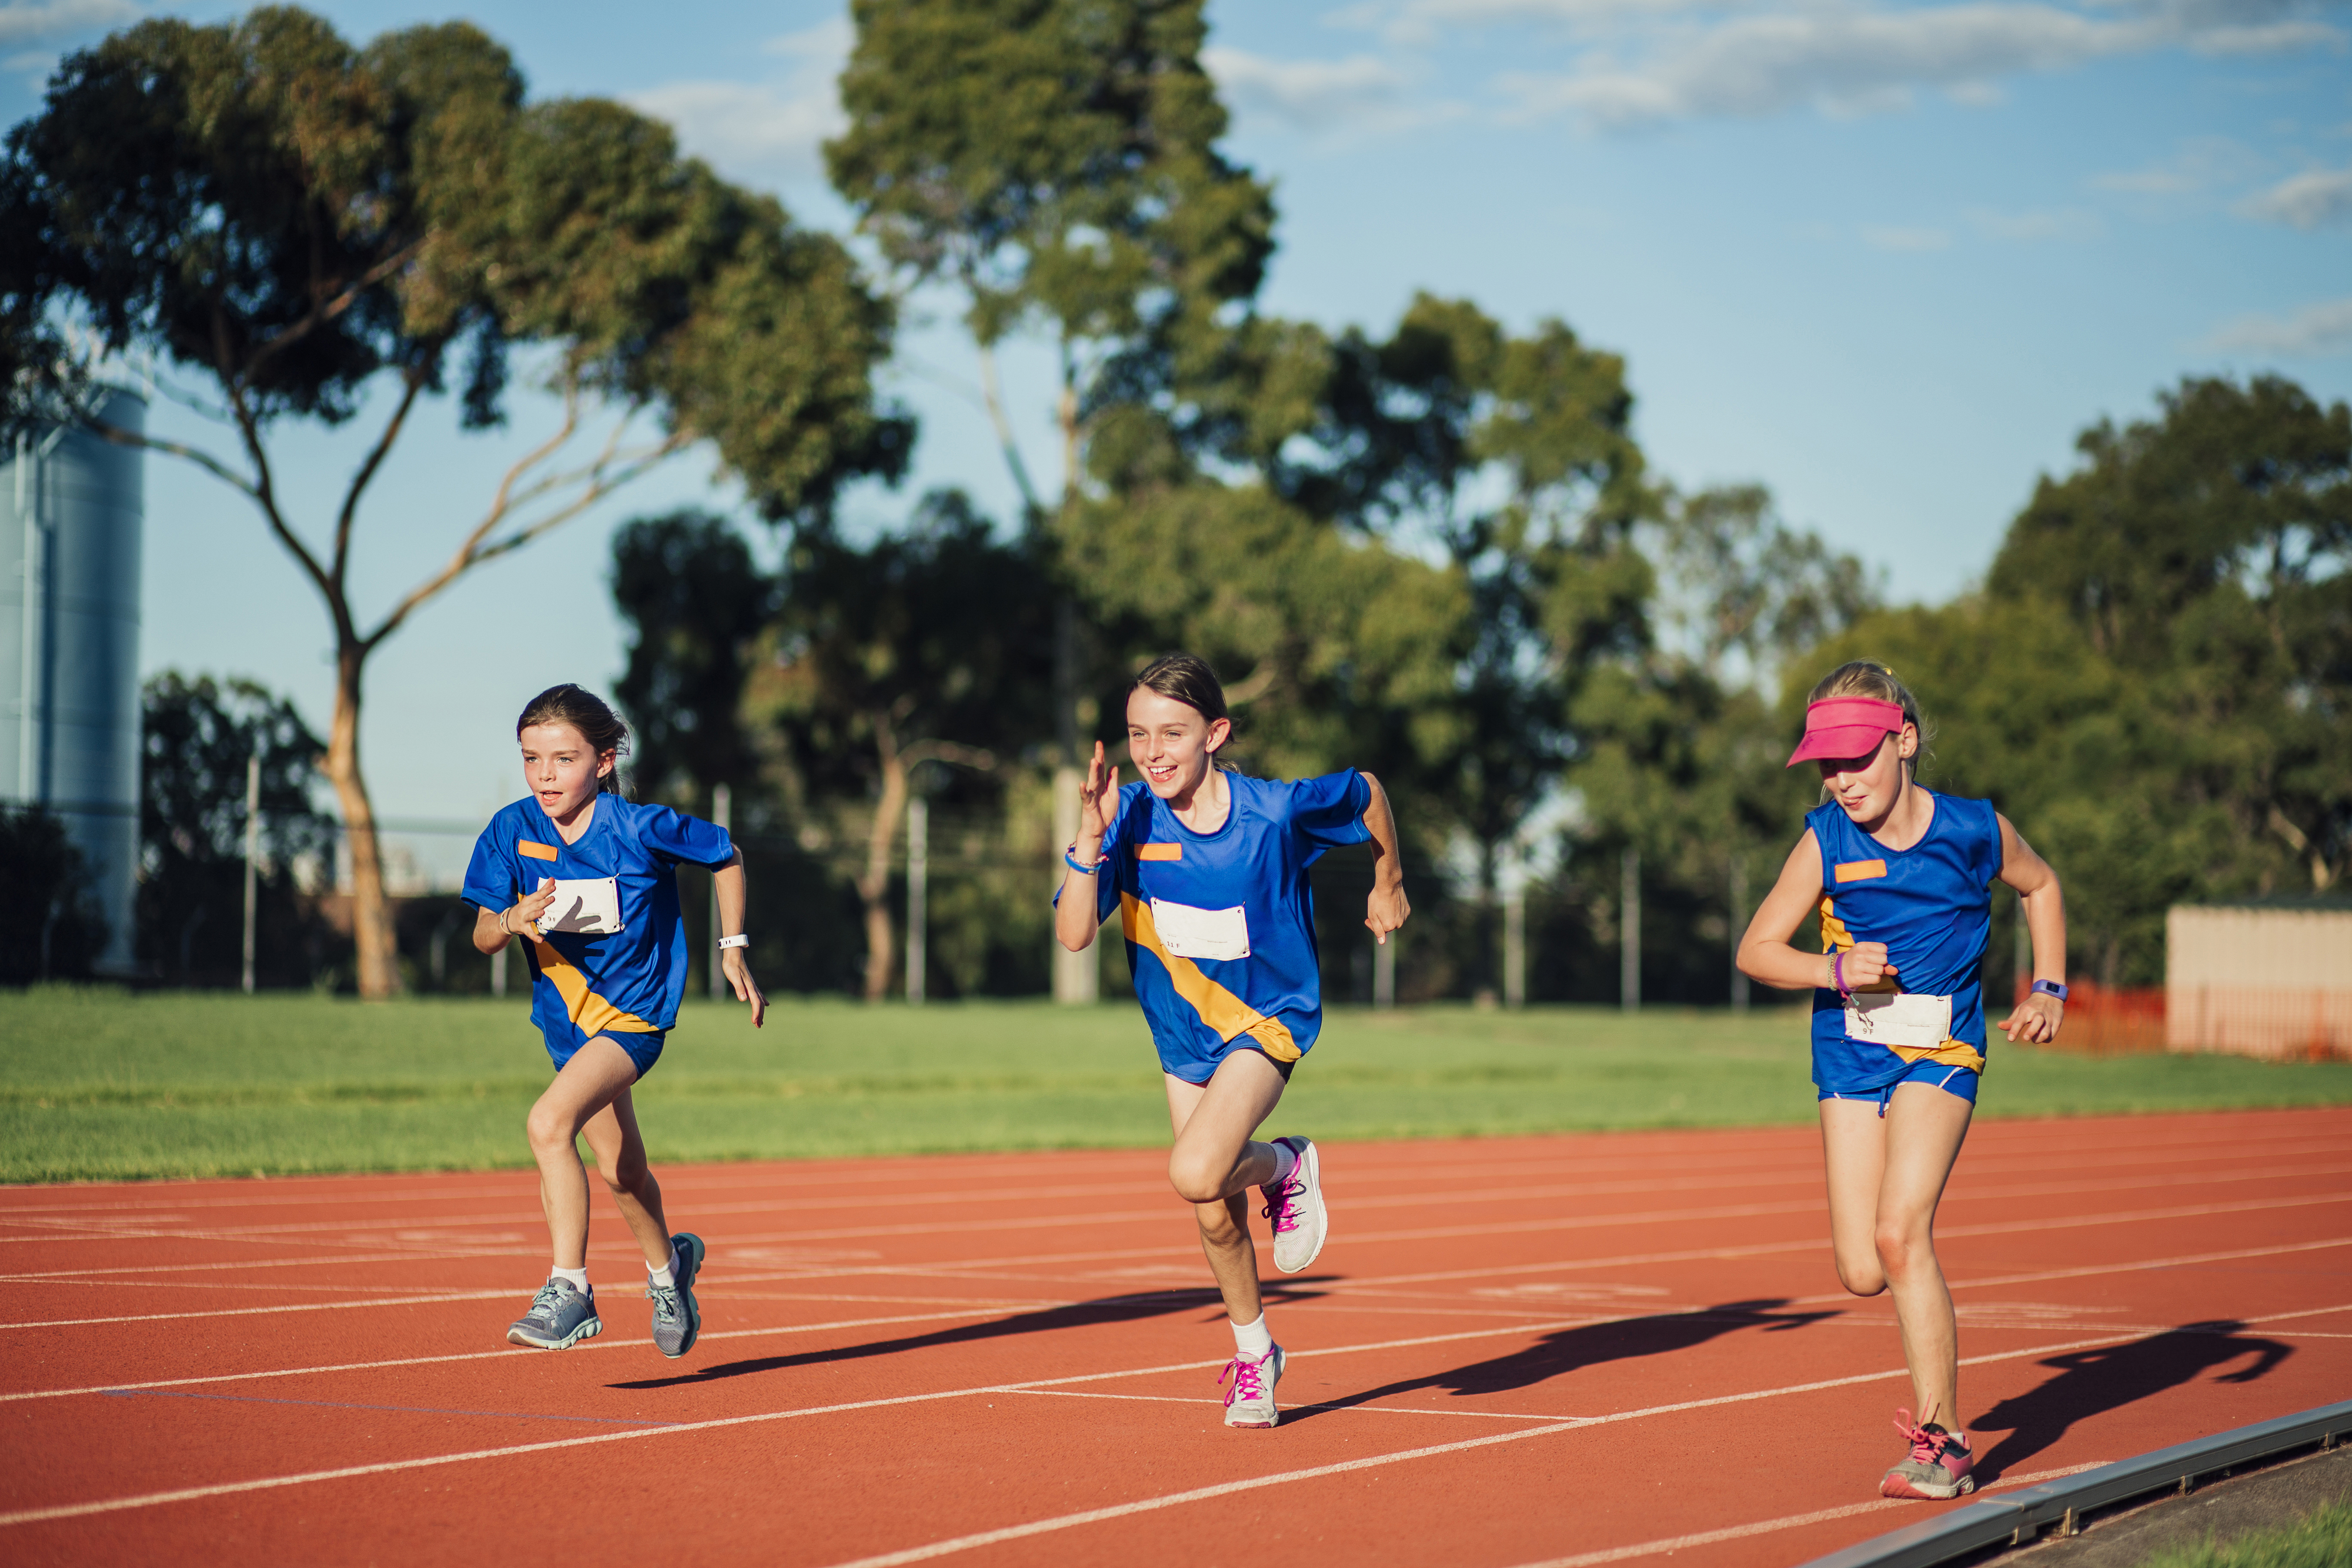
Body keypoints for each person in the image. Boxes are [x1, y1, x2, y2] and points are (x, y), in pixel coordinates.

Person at [1736, 660, 2067, 1500]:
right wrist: (1835, 968)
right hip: (1850, 1054)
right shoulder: (1824, 838)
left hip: (1940, 1050)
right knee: (1859, 1266)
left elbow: (2042, 884)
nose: (1843, 779)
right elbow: (1756, 949)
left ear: (1905, 740)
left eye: (1858, 759)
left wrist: (2048, 986)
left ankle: (1944, 1439)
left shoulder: (1974, 828)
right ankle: (1933, 1389)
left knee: (1898, 1231)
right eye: (1827, 764)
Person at [1055, 653, 1409, 1429]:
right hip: (1183, 1036)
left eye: (1172, 732)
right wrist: (1089, 832)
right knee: (1213, 1208)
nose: (1153, 750)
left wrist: (1389, 881)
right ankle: (1257, 1353)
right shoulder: (1130, 820)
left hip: (1268, 1019)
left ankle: (1285, 1161)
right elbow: (1075, 933)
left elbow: (1369, 789)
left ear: (1214, 732)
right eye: (1138, 733)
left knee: (1195, 1168)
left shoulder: (1275, 812)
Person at [466, 683, 766, 1358]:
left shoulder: (639, 828)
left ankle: (568, 1289)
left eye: (563, 758)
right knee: (622, 1171)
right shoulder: (511, 830)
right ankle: (670, 1275)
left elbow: (726, 854)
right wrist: (511, 919)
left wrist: (732, 948)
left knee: (547, 1124)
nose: (545, 774)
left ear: (602, 761)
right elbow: (484, 933)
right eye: (531, 758)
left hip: (634, 1019)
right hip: (566, 1026)